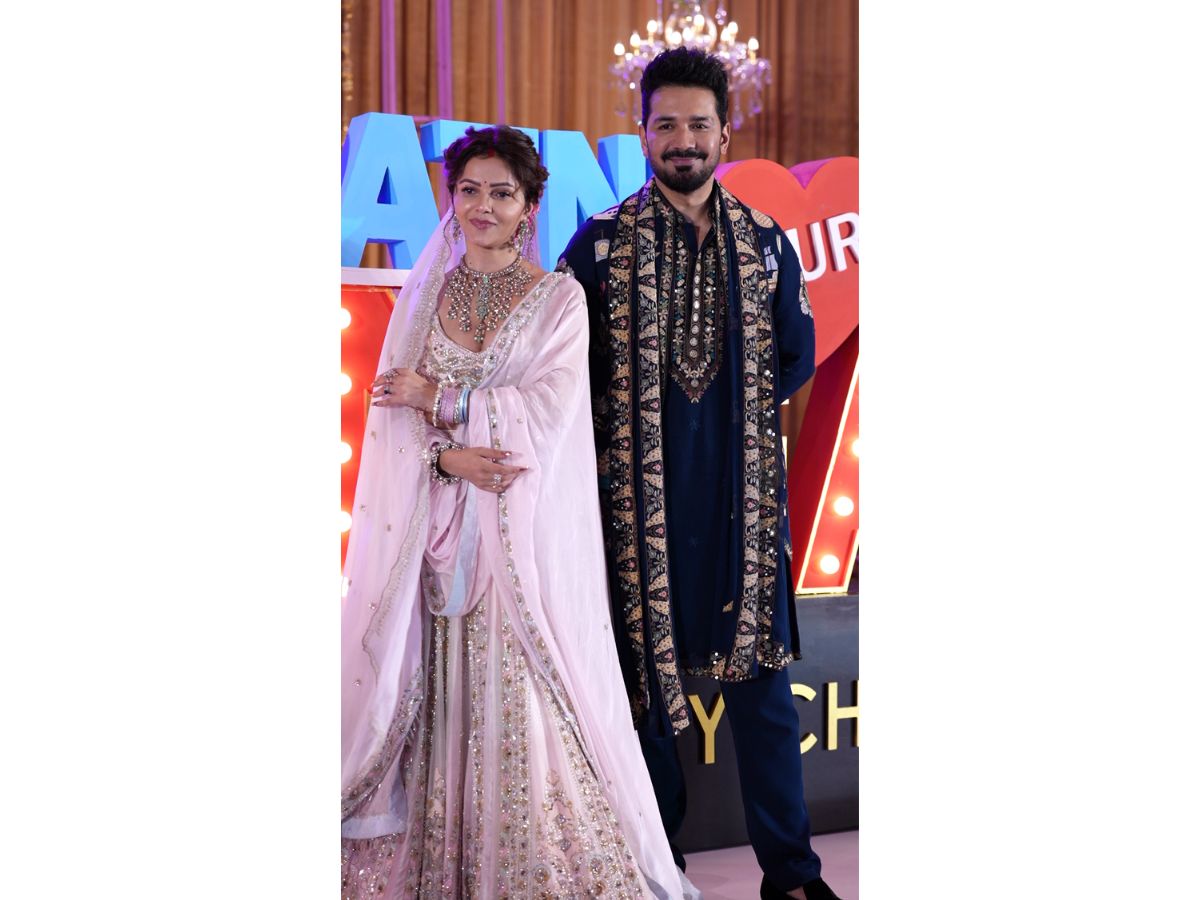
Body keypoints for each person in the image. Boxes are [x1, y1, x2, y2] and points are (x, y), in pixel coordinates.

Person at [341, 125, 700, 899]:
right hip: (435, 541)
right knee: (433, 700)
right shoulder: (425, 297)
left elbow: (550, 411)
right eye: (469, 190)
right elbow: (390, 421)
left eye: (501, 192)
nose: (483, 205)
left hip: (519, 545)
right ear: (451, 198)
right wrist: (448, 459)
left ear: (529, 206)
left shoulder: (557, 300)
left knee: (525, 698)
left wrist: (444, 401)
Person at [559, 49, 843, 900]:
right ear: (643, 132)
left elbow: (796, 355)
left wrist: (724, 420)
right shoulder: (599, 245)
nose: (682, 139)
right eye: (666, 124)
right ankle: (659, 869)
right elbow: (561, 369)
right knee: (644, 697)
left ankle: (791, 874)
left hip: (741, 508)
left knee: (762, 694)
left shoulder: (765, 243)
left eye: (698, 124)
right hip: (631, 509)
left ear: (725, 133)